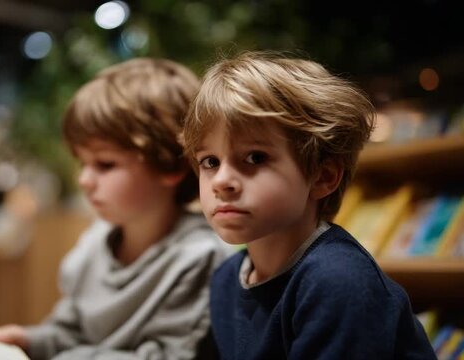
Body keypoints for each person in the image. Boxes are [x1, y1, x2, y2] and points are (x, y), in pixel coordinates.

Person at [182, 51, 436, 359]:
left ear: (323, 177)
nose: (221, 181)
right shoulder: (226, 278)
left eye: (254, 158)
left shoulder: (337, 280)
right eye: (210, 161)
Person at [0, 58, 231, 359]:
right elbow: (68, 332)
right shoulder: (94, 242)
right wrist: (29, 341)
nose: (84, 180)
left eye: (105, 164)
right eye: (83, 163)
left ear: (170, 165)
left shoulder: (199, 258)